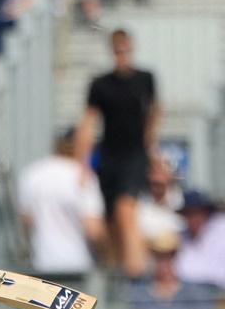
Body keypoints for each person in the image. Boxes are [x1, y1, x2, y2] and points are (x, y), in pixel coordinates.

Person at [76, 29, 159, 278]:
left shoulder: (145, 79)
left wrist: (149, 144)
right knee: (111, 221)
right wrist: (82, 164)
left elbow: (155, 111)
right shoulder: (100, 84)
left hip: (134, 155)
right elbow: (88, 123)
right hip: (109, 158)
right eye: (117, 49)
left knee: (126, 211)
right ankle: (119, 275)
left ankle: (137, 277)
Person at [17, 128, 105, 275]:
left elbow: (26, 222)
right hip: (78, 266)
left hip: (41, 264)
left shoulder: (32, 173)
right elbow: (93, 230)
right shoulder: (83, 177)